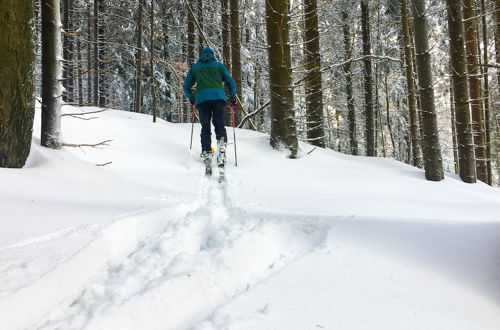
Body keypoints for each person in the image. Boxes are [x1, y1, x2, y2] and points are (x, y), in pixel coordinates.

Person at [183, 47, 237, 168]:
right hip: (218, 98)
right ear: (213, 55)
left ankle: (207, 152)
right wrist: (233, 96)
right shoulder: (219, 66)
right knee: (219, 124)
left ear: (202, 55)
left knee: (205, 127)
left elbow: (186, 87)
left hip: (202, 99)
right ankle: (222, 148)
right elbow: (230, 81)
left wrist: (192, 98)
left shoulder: (195, 67)